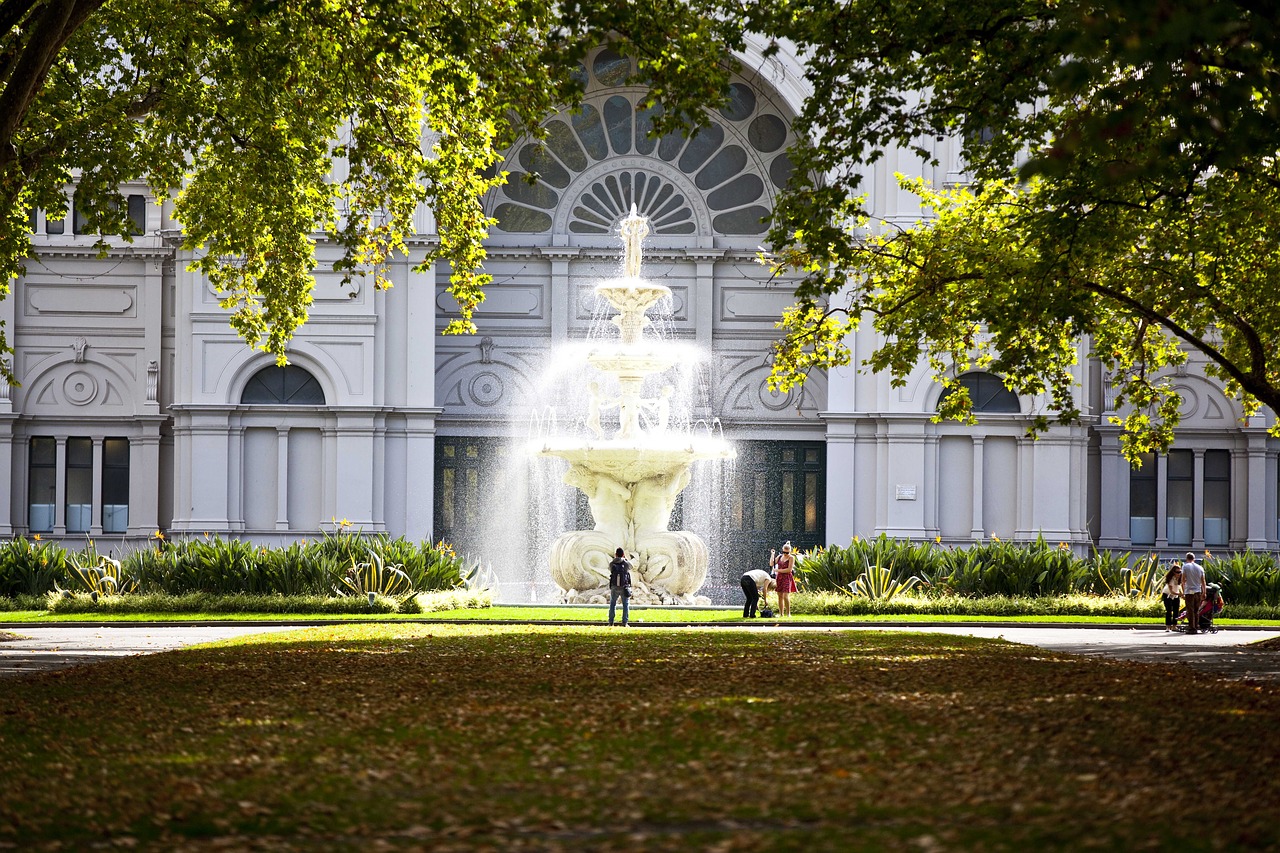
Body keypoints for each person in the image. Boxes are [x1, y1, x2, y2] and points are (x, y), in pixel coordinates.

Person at [1181, 552, 1206, 635]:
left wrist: (1183, 592)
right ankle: (1196, 625)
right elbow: (1203, 581)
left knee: (1190, 610)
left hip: (1189, 591)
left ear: (1187, 558)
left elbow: (1183, 580)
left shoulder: (1185, 566)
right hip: (1197, 591)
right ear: (1194, 559)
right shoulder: (1200, 568)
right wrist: (1204, 592)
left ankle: (1192, 627)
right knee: (1196, 610)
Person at [769, 541, 796, 618]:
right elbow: (771, 564)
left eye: (787, 553)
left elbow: (789, 570)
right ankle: (781, 614)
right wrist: (772, 554)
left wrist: (778, 570)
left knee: (785, 596)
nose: (785, 554)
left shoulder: (791, 558)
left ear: (789, 552)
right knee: (779, 595)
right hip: (779, 578)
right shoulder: (780, 556)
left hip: (787, 577)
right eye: (784, 552)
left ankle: (788, 613)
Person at [607, 547, 632, 627]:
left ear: (615, 554)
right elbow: (631, 567)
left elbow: (610, 569)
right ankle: (624, 623)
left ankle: (611, 622)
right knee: (625, 605)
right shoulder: (625, 563)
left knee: (612, 604)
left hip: (614, 586)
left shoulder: (612, 563)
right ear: (623, 555)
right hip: (624, 586)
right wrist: (625, 559)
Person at [1161, 561, 1183, 632]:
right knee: (1169, 611)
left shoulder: (1179, 578)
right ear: (1173, 572)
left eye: (1180, 572)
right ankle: (1168, 626)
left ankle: (1174, 626)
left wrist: (1182, 594)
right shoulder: (1171, 579)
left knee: (1176, 611)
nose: (1179, 574)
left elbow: (1180, 587)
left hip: (1175, 595)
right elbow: (1171, 591)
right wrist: (1180, 594)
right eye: (1177, 572)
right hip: (1168, 595)